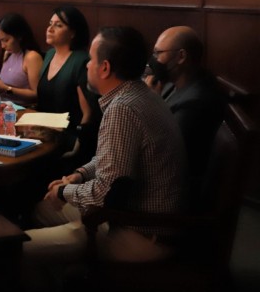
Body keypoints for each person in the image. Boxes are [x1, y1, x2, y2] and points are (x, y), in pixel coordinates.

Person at [24, 26, 187, 278]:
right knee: (43, 209)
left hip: (141, 232)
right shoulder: (140, 93)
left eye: (91, 60)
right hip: (133, 216)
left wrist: (64, 191)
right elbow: (114, 159)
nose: (87, 65)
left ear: (105, 68)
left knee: (16, 248)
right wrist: (79, 175)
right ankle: (69, 279)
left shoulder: (123, 109)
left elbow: (106, 193)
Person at [145, 26, 226, 191]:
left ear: (181, 56)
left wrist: (150, 101)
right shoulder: (178, 83)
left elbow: (164, 154)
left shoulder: (195, 103)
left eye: (158, 53)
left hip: (173, 188)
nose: (154, 60)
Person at [37, 5, 93, 151]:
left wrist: (78, 145)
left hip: (68, 139)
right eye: (50, 23)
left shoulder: (81, 61)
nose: (50, 29)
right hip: (42, 133)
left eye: (58, 25)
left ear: (73, 33)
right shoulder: (49, 55)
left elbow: (88, 113)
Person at [0, 13, 43, 105]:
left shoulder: (31, 57)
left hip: (22, 108)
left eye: (6, 40)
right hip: (2, 104)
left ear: (19, 36)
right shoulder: (8, 53)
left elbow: (36, 93)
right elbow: (7, 82)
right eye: (1, 40)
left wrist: (7, 88)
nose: (3, 46)